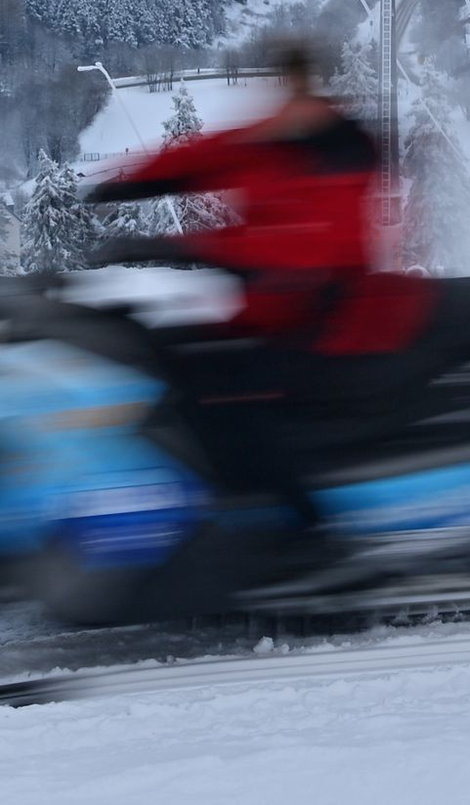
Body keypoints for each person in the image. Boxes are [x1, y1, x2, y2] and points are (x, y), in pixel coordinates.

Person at [90, 45, 436, 528]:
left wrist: (185, 248)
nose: (293, 99)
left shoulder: (341, 155)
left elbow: (304, 246)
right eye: (286, 85)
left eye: (303, 86)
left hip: (330, 314)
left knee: (232, 396)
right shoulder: (277, 140)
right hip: (271, 310)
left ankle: (306, 528)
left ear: (321, 92)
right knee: (171, 354)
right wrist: (116, 186)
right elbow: (206, 156)